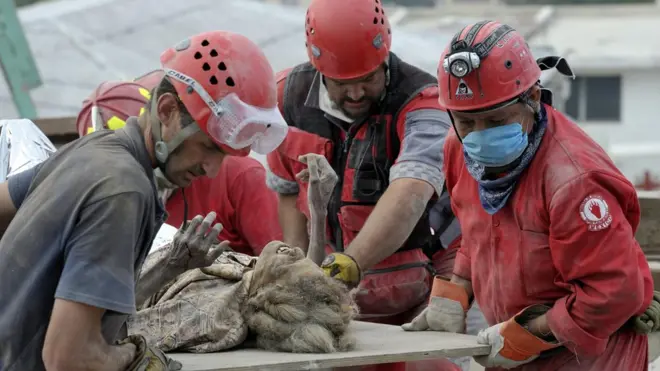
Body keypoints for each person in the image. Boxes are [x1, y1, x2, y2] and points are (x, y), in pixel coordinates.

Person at [0, 30, 288, 371]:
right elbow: (68, 357)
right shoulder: (123, 190)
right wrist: (132, 357)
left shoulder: (90, 151)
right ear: (167, 110)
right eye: (209, 147)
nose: (212, 170)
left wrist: (169, 269)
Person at [403, 20, 653, 370]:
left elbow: (614, 293)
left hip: (589, 359)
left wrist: (529, 332)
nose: (478, 136)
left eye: (494, 121)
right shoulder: (460, 151)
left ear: (532, 97)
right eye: (466, 122)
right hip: (518, 357)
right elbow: (480, 232)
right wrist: (456, 289)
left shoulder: (574, 181)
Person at [265, 0, 464, 369]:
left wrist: (349, 265)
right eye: (342, 84)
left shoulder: (424, 101)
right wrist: (296, 274)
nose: (355, 94)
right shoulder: (287, 99)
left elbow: (412, 189)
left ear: (384, 57)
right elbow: (288, 191)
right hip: (345, 301)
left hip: (429, 281)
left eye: (368, 80)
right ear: (318, 66)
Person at [74, 70, 283, 255]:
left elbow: (284, 271)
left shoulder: (240, 178)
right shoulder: (114, 202)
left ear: (162, 119)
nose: (211, 169)